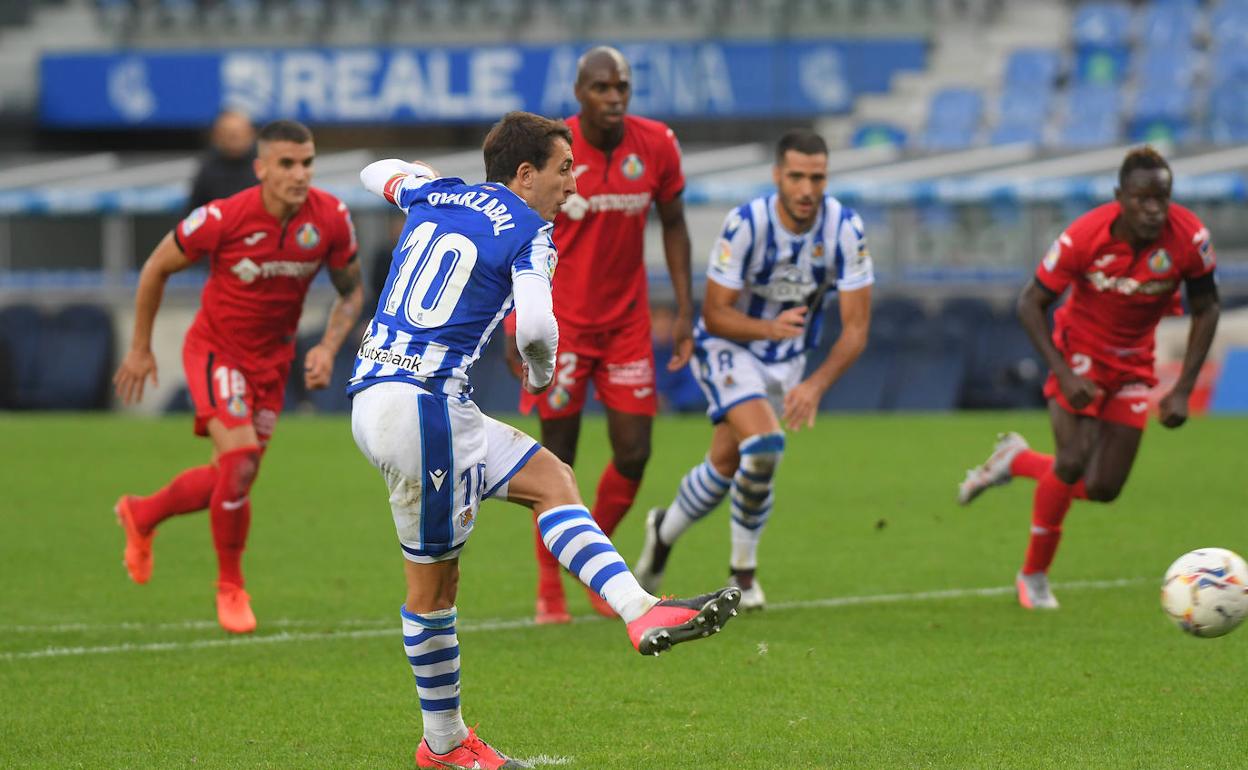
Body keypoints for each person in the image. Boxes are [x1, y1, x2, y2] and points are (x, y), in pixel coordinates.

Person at [350, 111, 740, 770]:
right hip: (425, 411)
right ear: (525, 174)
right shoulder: (530, 231)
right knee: (433, 591)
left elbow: (373, 171)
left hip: (382, 398)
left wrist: (425, 179)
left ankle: (640, 607)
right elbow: (534, 327)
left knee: (552, 480)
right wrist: (539, 372)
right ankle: (443, 744)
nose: (573, 183)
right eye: (563, 169)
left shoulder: (434, 193)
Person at [113, 119, 364, 634]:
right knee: (241, 460)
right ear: (261, 168)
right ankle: (230, 587)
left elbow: (351, 291)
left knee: (233, 475)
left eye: (307, 163)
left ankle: (142, 513)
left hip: (272, 364)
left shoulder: (331, 218)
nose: (300, 174)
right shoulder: (222, 217)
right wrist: (139, 349)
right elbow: (156, 268)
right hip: (217, 351)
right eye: (287, 164)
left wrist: (327, 347)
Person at [957, 146, 1220, 610]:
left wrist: (1182, 389)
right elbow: (1029, 302)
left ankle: (1016, 460)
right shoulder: (1083, 236)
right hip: (1079, 353)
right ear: (1120, 197)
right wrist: (1061, 371)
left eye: (1161, 198)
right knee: (1072, 460)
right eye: (1142, 198)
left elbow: (1207, 307)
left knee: (1103, 488)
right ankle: (1034, 575)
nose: (1153, 209)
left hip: (1134, 363)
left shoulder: (1189, 238)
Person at [633, 129, 874, 610]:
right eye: (797, 177)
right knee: (764, 447)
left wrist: (815, 385)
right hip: (729, 347)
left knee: (724, 464)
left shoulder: (846, 229)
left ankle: (663, 530)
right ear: (777, 176)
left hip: (788, 361)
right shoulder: (746, 223)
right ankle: (743, 576)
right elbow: (715, 313)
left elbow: (856, 328)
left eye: (817, 178)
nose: (807, 189)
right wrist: (768, 329)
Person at [502, 46, 696, 625]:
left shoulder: (657, 143)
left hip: (627, 327)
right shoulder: (553, 153)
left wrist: (685, 306)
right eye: (601, 88)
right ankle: (549, 586)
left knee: (635, 452)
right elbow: (514, 234)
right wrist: (515, 322)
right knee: (556, 460)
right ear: (579, 93)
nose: (613, 98)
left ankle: (590, 561)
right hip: (560, 328)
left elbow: (675, 223)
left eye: (621, 88)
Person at [187, 109, 258, 212]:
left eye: (238, 132)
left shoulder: (265, 165)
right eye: (228, 133)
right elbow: (194, 210)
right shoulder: (208, 168)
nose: (234, 138)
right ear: (216, 136)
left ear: (251, 134)